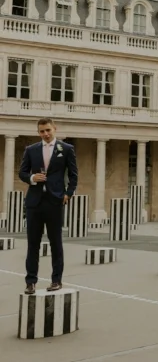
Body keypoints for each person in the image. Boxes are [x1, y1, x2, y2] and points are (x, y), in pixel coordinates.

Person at [18, 118, 78, 294]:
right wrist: (32, 178)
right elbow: (22, 172)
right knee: (33, 244)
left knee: (56, 243)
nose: (45, 134)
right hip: (34, 203)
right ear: (38, 132)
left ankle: (56, 280)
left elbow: (73, 175)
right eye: (42, 131)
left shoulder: (66, 149)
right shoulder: (31, 150)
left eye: (48, 130)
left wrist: (68, 193)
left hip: (55, 201)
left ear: (54, 129)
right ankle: (30, 282)